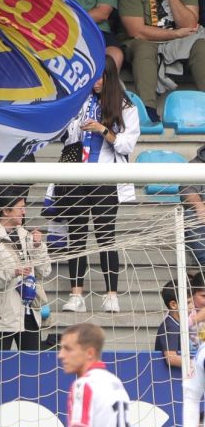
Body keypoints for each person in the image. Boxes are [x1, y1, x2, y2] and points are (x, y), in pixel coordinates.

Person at [57, 62, 137, 315]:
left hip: (104, 176)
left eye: (99, 76)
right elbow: (65, 137)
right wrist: (76, 128)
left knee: (105, 237)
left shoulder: (127, 107)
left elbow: (126, 146)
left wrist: (103, 130)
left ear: (109, 77)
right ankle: (76, 295)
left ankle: (111, 295)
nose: (94, 81)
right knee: (76, 236)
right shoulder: (80, 102)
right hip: (76, 174)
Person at [120, 0, 205, 114]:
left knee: (201, 45)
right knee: (143, 48)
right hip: (145, 41)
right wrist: (174, 33)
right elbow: (136, 31)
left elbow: (190, 25)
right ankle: (148, 111)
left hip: (179, 40)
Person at [0, 191, 49, 351]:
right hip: (1, 316)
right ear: (5, 210)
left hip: (29, 313)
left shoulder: (26, 235)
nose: (24, 212)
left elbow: (45, 271)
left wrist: (38, 247)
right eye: (20, 208)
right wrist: (13, 272)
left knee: (32, 368)